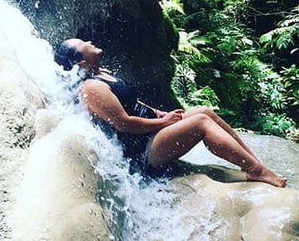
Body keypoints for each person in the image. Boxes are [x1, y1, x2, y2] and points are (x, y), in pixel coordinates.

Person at [54, 38, 286, 188]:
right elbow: (124, 123)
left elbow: (133, 103)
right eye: (83, 43)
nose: (89, 40)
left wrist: (160, 113)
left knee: (204, 111)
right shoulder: (91, 88)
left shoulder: (102, 73)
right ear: (81, 60)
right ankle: (257, 172)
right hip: (142, 151)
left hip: (151, 133)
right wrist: (163, 122)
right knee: (201, 122)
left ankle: (253, 164)